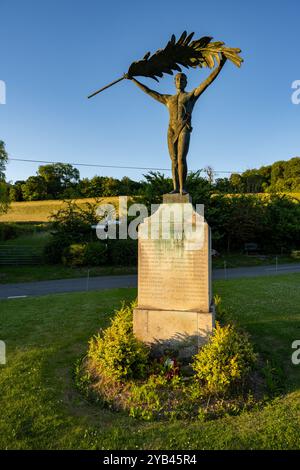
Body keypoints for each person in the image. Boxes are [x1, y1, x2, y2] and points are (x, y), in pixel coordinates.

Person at [126, 53, 227, 194]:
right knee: (173, 160)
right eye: (177, 79)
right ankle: (175, 188)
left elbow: (207, 82)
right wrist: (133, 80)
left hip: (183, 128)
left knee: (181, 158)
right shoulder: (168, 99)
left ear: (186, 82)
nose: (179, 80)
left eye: (182, 79)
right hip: (171, 130)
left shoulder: (190, 96)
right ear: (174, 82)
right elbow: (149, 91)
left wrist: (220, 66)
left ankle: (182, 188)